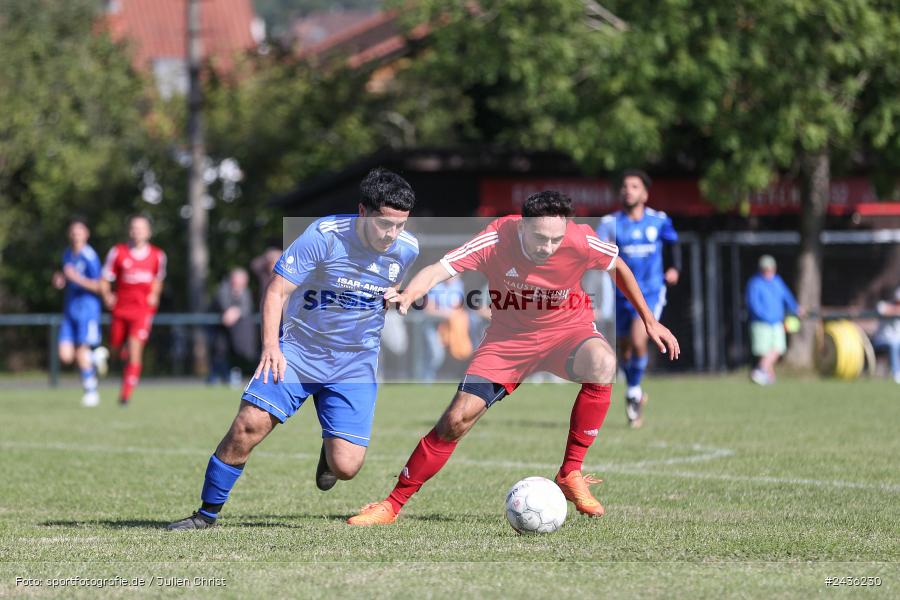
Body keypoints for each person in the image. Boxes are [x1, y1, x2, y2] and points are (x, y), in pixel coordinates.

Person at [347, 191, 679, 526]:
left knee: (603, 363)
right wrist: (409, 294)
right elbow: (438, 270)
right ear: (522, 227)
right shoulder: (495, 238)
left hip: (567, 332)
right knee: (455, 420)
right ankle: (392, 505)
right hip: (508, 343)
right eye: (539, 238)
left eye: (555, 240)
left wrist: (649, 320)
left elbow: (617, 266)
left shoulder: (580, 239)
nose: (547, 247)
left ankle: (570, 471)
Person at [167, 167, 419, 530]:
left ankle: (329, 450)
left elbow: (393, 282)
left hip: (354, 363)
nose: (393, 234)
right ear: (363, 212)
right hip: (300, 353)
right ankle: (205, 514)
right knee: (247, 426)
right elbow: (276, 290)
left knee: (346, 467)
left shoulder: (406, 249)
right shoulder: (322, 236)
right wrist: (271, 346)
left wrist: (396, 296)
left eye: (401, 225)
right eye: (385, 224)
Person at [595, 169, 680, 428]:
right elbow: (597, 249)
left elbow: (673, 244)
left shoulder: (659, 220)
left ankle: (632, 391)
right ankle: (636, 390)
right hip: (620, 294)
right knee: (625, 347)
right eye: (624, 186)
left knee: (638, 336)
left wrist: (674, 268)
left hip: (652, 291)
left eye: (633, 186)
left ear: (644, 193)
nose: (627, 190)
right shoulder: (610, 222)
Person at [100, 214, 167, 405]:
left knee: (135, 348)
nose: (137, 231)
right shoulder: (118, 252)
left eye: (141, 228)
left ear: (148, 232)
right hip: (120, 310)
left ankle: (125, 395)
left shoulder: (157, 255)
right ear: (129, 231)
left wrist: (154, 294)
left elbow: (157, 280)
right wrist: (107, 295)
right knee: (115, 347)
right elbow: (105, 279)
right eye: (134, 228)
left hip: (142, 311)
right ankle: (118, 353)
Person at [52, 218, 106, 407]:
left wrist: (77, 278)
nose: (76, 236)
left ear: (86, 234)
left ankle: (91, 392)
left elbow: (100, 286)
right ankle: (95, 356)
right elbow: (67, 277)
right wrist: (62, 280)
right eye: (73, 232)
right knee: (66, 355)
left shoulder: (90, 256)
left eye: (79, 232)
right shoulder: (67, 254)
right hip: (70, 310)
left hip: (87, 310)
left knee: (81, 351)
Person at [745, 255, 801, 385]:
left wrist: (795, 308)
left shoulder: (777, 281)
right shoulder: (755, 283)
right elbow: (753, 304)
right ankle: (763, 373)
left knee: (778, 348)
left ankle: (762, 372)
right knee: (765, 351)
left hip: (777, 322)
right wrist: (765, 317)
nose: (769, 272)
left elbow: (787, 296)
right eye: (766, 269)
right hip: (761, 323)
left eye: (771, 269)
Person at [208, 268, 257, 386]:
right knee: (219, 351)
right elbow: (224, 308)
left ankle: (235, 376)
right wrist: (231, 312)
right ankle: (215, 377)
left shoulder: (246, 292)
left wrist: (237, 311)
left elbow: (246, 308)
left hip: (237, 332)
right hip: (219, 329)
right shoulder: (222, 290)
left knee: (243, 351)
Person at [873, 286, 900, 384]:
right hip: (882, 341)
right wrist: (896, 309)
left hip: (897, 342)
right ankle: (897, 375)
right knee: (894, 344)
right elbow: (885, 311)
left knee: (896, 343)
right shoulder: (883, 305)